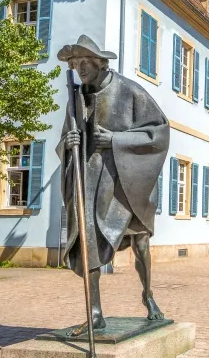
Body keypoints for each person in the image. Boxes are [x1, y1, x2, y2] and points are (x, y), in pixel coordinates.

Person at [57, 35, 170, 335]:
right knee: (86, 240)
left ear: (100, 63)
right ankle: (95, 311)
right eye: (75, 64)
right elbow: (68, 136)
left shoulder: (130, 91)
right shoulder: (77, 96)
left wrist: (117, 140)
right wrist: (68, 144)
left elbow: (159, 133)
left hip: (128, 183)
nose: (79, 69)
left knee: (141, 242)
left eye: (84, 63)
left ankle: (148, 295)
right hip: (91, 180)